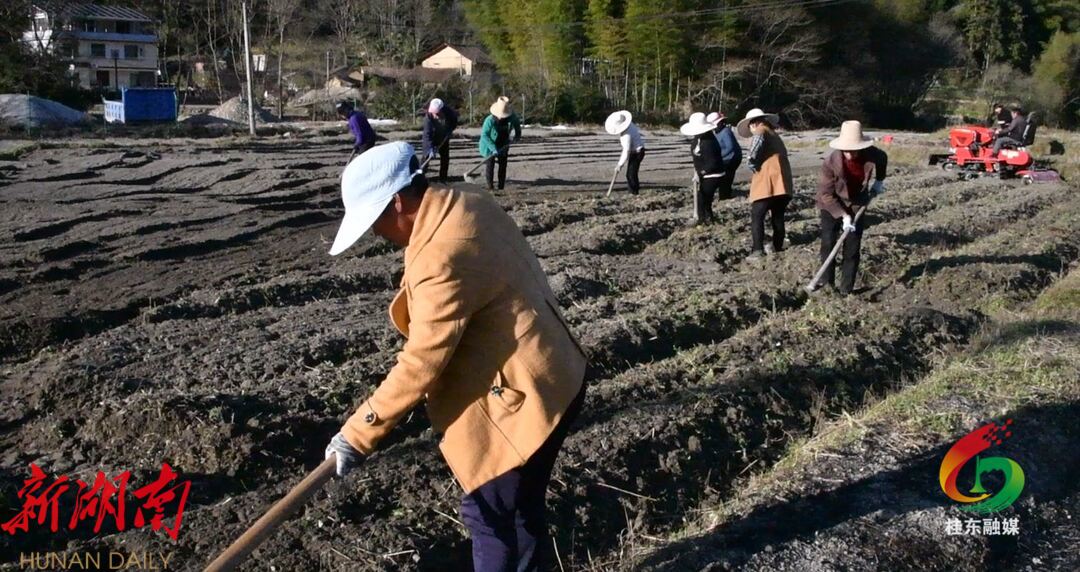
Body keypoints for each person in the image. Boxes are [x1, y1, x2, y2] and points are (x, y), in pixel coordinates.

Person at [324, 141, 587, 572]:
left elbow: (422, 360)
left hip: (524, 401)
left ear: (398, 202)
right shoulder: (466, 200)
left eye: (375, 221)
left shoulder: (441, 255)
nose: (375, 234)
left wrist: (358, 433)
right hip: (553, 370)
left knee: (489, 517)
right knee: (519, 512)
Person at [815, 120, 888, 295]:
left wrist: (879, 181)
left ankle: (846, 289)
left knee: (852, 247)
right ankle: (827, 285)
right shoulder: (830, 162)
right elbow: (826, 194)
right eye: (846, 150)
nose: (849, 153)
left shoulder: (871, 154)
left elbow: (883, 158)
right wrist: (843, 215)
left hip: (857, 202)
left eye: (853, 149)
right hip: (831, 204)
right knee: (828, 243)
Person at [737, 108, 792, 260]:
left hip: (768, 181)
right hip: (783, 182)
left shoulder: (760, 131)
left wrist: (752, 163)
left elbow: (754, 151)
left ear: (753, 124)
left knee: (757, 215)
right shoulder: (774, 134)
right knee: (777, 216)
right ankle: (778, 246)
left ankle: (757, 250)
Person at [681, 112, 725, 225]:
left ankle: (703, 220)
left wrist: (701, 172)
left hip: (714, 174)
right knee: (704, 199)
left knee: (703, 198)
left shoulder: (709, 142)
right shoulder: (698, 139)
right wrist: (697, 173)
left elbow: (713, 162)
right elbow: (696, 157)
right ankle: (707, 219)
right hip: (704, 174)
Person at [479, 96, 522, 191]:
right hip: (489, 144)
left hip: (503, 142)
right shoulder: (489, 120)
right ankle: (490, 187)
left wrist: (517, 137)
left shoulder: (512, 118)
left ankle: (501, 186)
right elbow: (484, 135)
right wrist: (493, 148)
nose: (501, 117)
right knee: (490, 165)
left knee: (503, 165)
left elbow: (517, 127)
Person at [605, 110, 645, 195]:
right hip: (635, 151)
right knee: (630, 174)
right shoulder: (630, 125)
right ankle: (633, 192)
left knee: (631, 174)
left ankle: (634, 193)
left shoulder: (626, 135)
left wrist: (619, 165)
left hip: (638, 152)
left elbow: (626, 151)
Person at [422, 98, 459, 183]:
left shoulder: (449, 113)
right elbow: (427, 135)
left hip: (444, 137)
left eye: (437, 113)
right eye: (433, 113)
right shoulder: (428, 118)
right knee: (426, 156)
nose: (435, 115)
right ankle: (420, 175)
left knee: (445, 158)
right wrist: (430, 149)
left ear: (441, 110)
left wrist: (450, 130)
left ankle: (443, 179)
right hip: (432, 137)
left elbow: (454, 121)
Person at [707, 111, 742, 200]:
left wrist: (718, 156)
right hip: (725, 158)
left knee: (726, 178)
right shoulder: (717, 132)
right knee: (723, 178)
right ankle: (724, 194)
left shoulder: (726, 131)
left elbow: (730, 147)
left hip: (732, 159)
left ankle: (725, 196)